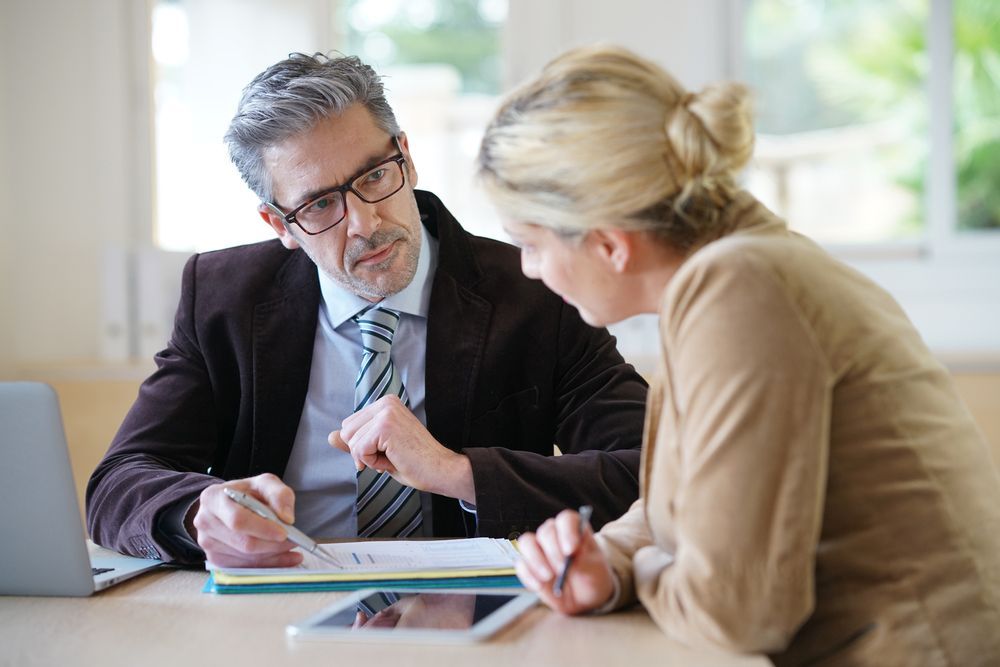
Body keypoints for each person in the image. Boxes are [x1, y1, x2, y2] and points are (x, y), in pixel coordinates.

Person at [477, 45, 1000, 666]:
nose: (530, 272)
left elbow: (736, 610)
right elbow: (682, 504)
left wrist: (642, 568)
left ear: (609, 243)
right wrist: (608, 562)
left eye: (529, 245)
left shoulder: (742, 289)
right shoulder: (729, 269)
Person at [86, 53, 647, 568]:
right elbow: (117, 484)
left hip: (473, 605)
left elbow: (653, 469)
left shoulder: (533, 289)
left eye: (375, 176)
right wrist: (197, 512)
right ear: (279, 225)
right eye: (320, 204)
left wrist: (461, 474)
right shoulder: (224, 296)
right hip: (273, 604)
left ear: (406, 156)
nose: (365, 223)